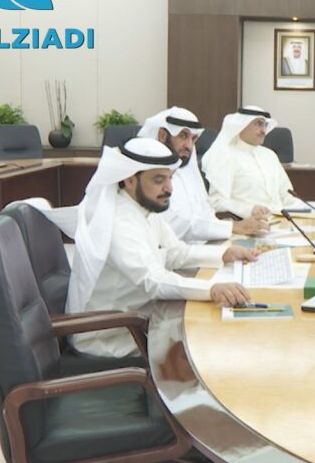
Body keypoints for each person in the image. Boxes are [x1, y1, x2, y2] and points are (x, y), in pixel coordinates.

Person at [68, 138, 259, 358]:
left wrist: (224, 253)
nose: (169, 188)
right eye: (159, 180)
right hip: (111, 335)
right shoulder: (117, 222)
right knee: (215, 342)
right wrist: (211, 290)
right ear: (129, 180)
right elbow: (153, 280)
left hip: (144, 317)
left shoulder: (143, 209)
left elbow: (175, 253)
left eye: (170, 178)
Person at [138, 107, 268, 242]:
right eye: (183, 136)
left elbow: (207, 214)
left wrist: (233, 228)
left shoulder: (190, 171)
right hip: (177, 252)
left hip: (207, 247)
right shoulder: (149, 177)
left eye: (193, 139)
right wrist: (232, 227)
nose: (189, 146)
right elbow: (174, 225)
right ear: (162, 135)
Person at [201, 106, 306, 217]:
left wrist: (307, 208)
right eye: (258, 124)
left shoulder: (270, 155)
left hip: (281, 221)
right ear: (242, 125)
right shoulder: (225, 155)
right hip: (246, 222)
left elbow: (287, 196)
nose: (263, 131)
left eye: (265, 125)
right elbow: (216, 202)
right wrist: (249, 210)